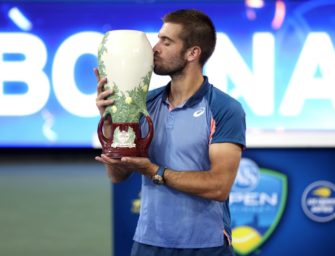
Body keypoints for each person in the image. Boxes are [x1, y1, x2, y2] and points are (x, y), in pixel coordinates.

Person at [95, 9, 246, 256]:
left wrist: (154, 171)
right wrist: (111, 120)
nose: (155, 48)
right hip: (147, 243)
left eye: (166, 42)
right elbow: (117, 175)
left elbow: (219, 186)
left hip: (205, 246)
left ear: (192, 53)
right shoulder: (143, 104)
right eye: (158, 39)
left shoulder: (224, 108)